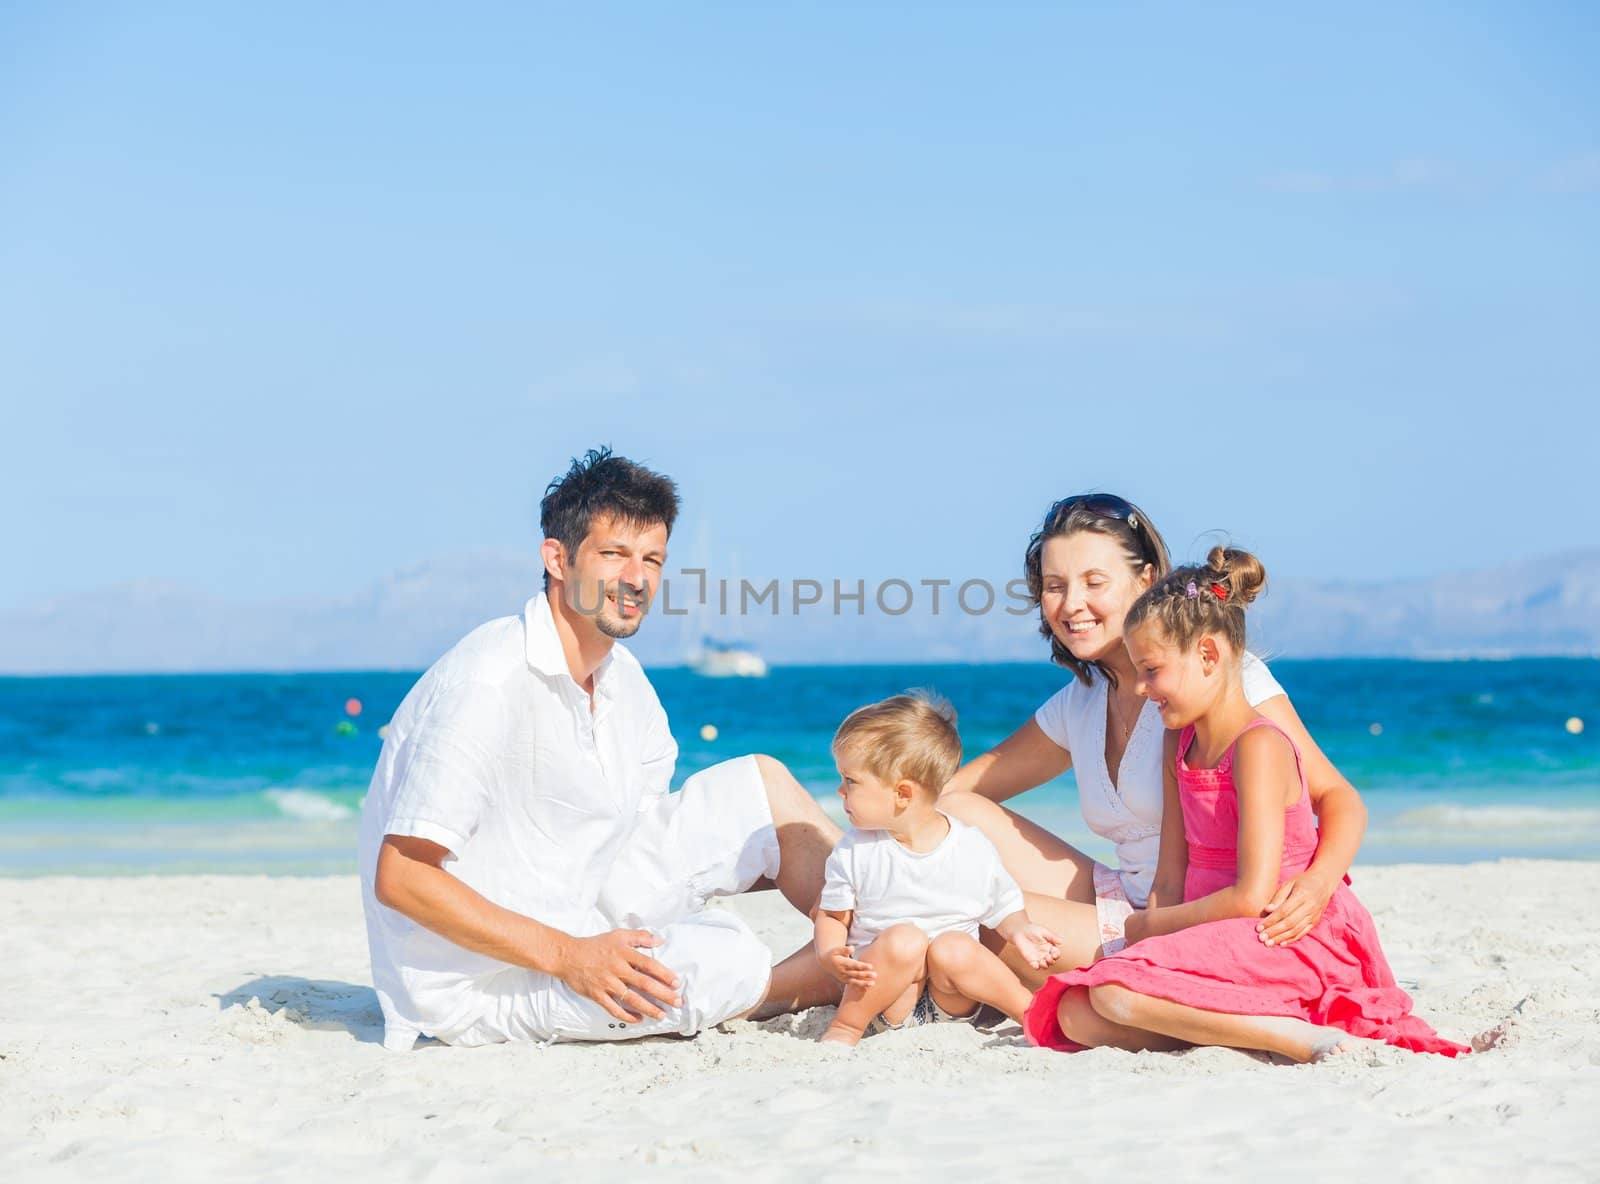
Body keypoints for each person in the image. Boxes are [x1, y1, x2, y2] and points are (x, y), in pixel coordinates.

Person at [358, 447, 842, 1050]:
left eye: (652, 559)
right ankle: (796, 984)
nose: (636, 579)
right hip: (486, 979)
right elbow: (401, 876)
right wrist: (571, 957)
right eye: (613, 554)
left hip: (580, 900)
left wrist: (779, 855)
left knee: (762, 789)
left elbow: (657, 838)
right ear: (557, 559)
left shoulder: (624, 681)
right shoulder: (487, 682)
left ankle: (892, 943)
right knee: (727, 957)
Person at [1024, 548, 1469, 1061]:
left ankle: (1299, 1037)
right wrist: (1152, 938)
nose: (1143, 690)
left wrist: (1147, 929)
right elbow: (1170, 878)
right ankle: (1232, 1022)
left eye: (1151, 670)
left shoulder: (1258, 746)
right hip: (1207, 930)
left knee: (1112, 994)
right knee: (1075, 1014)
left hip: (1278, 935)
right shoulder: (1179, 742)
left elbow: (1252, 897)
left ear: (1209, 656)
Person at [939, 494, 1370, 980]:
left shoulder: (1219, 681)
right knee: (952, 812)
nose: (1071, 603)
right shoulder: (1079, 701)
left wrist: (1318, 883)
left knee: (976, 921)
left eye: (1093, 582)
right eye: (1054, 586)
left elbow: (1337, 796)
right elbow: (956, 793)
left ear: (1146, 580)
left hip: (1194, 917)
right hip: (1128, 896)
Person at [814, 693, 1062, 1047]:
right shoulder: (855, 849)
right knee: (904, 941)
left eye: (850, 781)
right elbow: (833, 916)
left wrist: (1020, 930)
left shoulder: (971, 847)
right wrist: (830, 953)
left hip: (952, 1001)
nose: (840, 790)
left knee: (956, 946)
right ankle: (846, 1027)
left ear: (902, 793)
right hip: (886, 1000)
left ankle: (1030, 1012)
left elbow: (1003, 904)